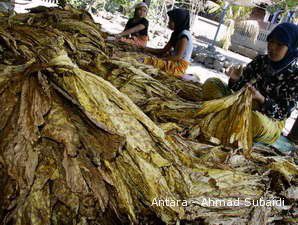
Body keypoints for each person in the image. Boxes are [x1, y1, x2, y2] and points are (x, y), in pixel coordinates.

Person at [201, 23, 298, 144]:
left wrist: (261, 99)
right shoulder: (260, 61)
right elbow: (239, 89)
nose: (272, 47)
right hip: (240, 104)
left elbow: (282, 113)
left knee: (255, 122)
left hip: (269, 119)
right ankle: (230, 117)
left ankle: (227, 116)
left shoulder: (295, 75)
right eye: (271, 41)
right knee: (212, 83)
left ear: (292, 48)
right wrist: (235, 80)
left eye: (279, 45)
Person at [140, 8, 193, 77]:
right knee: (153, 58)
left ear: (178, 22)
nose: (168, 22)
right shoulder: (176, 33)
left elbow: (177, 57)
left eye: (171, 20)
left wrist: (160, 59)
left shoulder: (184, 36)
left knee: (149, 61)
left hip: (178, 66)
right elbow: (163, 50)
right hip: (174, 60)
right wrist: (146, 49)